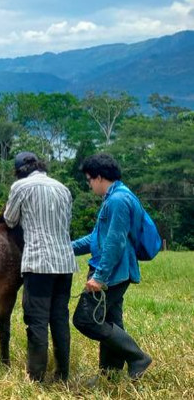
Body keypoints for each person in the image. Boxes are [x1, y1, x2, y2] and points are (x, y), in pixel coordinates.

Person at [72, 153, 152, 380]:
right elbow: (96, 238)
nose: (89, 185)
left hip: (112, 273)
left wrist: (99, 277)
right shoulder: (115, 197)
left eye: (89, 180)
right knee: (110, 322)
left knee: (86, 320)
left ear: (99, 177)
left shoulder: (117, 200)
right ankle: (110, 375)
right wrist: (65, 247)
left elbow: (114, 242)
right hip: (118, 271)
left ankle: (138, 357)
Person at [4, 151, 77, 383]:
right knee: (59, 319)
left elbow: (10, 219)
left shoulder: (21, 187)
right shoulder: (63, 188)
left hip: (38, 262)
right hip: (65, 262)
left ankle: (36, 377)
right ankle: (62, 374)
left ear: (19, 170)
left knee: (36, 321)